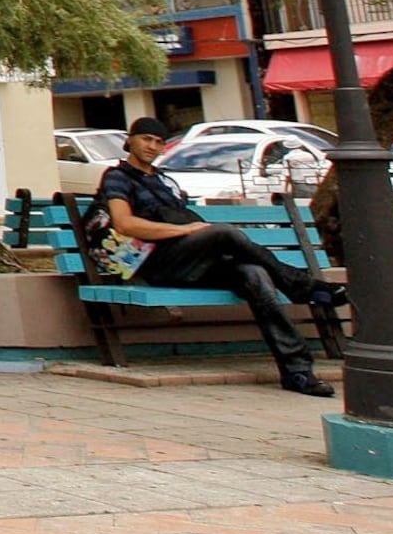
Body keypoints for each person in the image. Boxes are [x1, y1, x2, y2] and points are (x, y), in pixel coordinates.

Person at [93, 116, 347, 397]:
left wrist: (190, 231)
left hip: (194, 263)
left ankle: (297, 372)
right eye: (146, 139)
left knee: (255, 274)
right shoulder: (117, 177)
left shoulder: (164, 181)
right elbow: (124, 224)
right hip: (157, 263)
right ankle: (301, 285)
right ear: (131, 140)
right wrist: (184, 229)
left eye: (158, 142)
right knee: (225, 233)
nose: (152, 146)